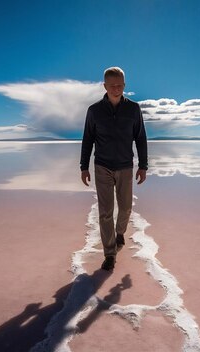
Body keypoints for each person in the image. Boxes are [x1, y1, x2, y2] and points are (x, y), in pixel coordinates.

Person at [80, 66, 148, 271]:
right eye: (112, 86)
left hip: (126, 166)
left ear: (124, 85)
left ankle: (120, 233)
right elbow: (88, 139)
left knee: (126, 207)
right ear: (105, 86)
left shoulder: (133, 109)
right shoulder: (94, 111)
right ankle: (109, 254)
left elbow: (140, 138)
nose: (116, 89)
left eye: (120, 85)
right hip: (102, 166)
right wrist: (84, 167)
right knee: (105, 212)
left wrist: (143, 166)